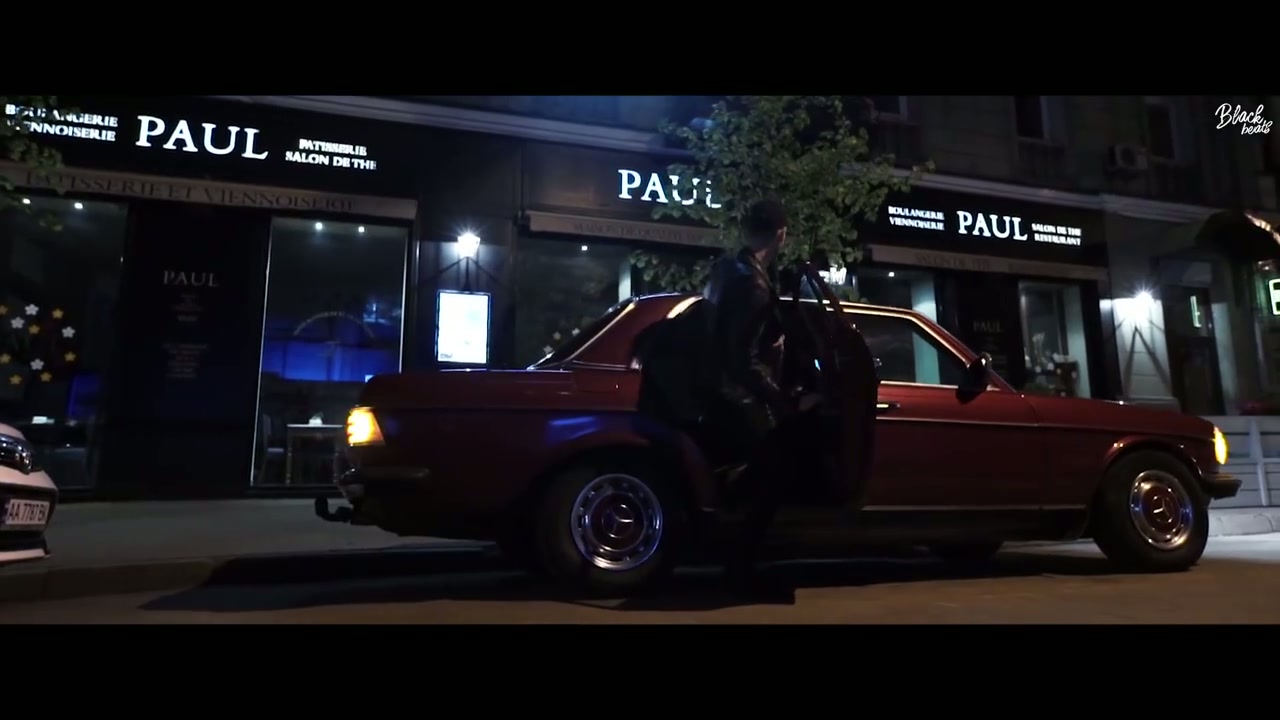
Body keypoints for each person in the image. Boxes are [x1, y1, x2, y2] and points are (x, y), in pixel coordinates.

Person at [701, 198, 820, 586]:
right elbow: (741, 360)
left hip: (717, 392)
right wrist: (781, 402)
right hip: (737, 398)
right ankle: (742, 566)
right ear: (781, 234)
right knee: (778, 467)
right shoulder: (752, 284)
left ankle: (740, 557)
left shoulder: (726, 270)